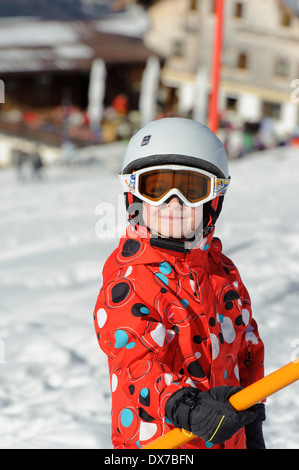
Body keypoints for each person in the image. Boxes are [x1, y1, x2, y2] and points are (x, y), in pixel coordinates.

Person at [93, 117, 265, 449]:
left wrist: (253, 426)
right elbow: (134, 362)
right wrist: (185, 407)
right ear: (134, 197)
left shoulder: (223, 273)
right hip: (164, 444)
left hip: (228, 439)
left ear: (214, 200)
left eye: (191, 189)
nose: (174, 203)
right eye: (156, 188)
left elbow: (248, 347)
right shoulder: (129, 279)